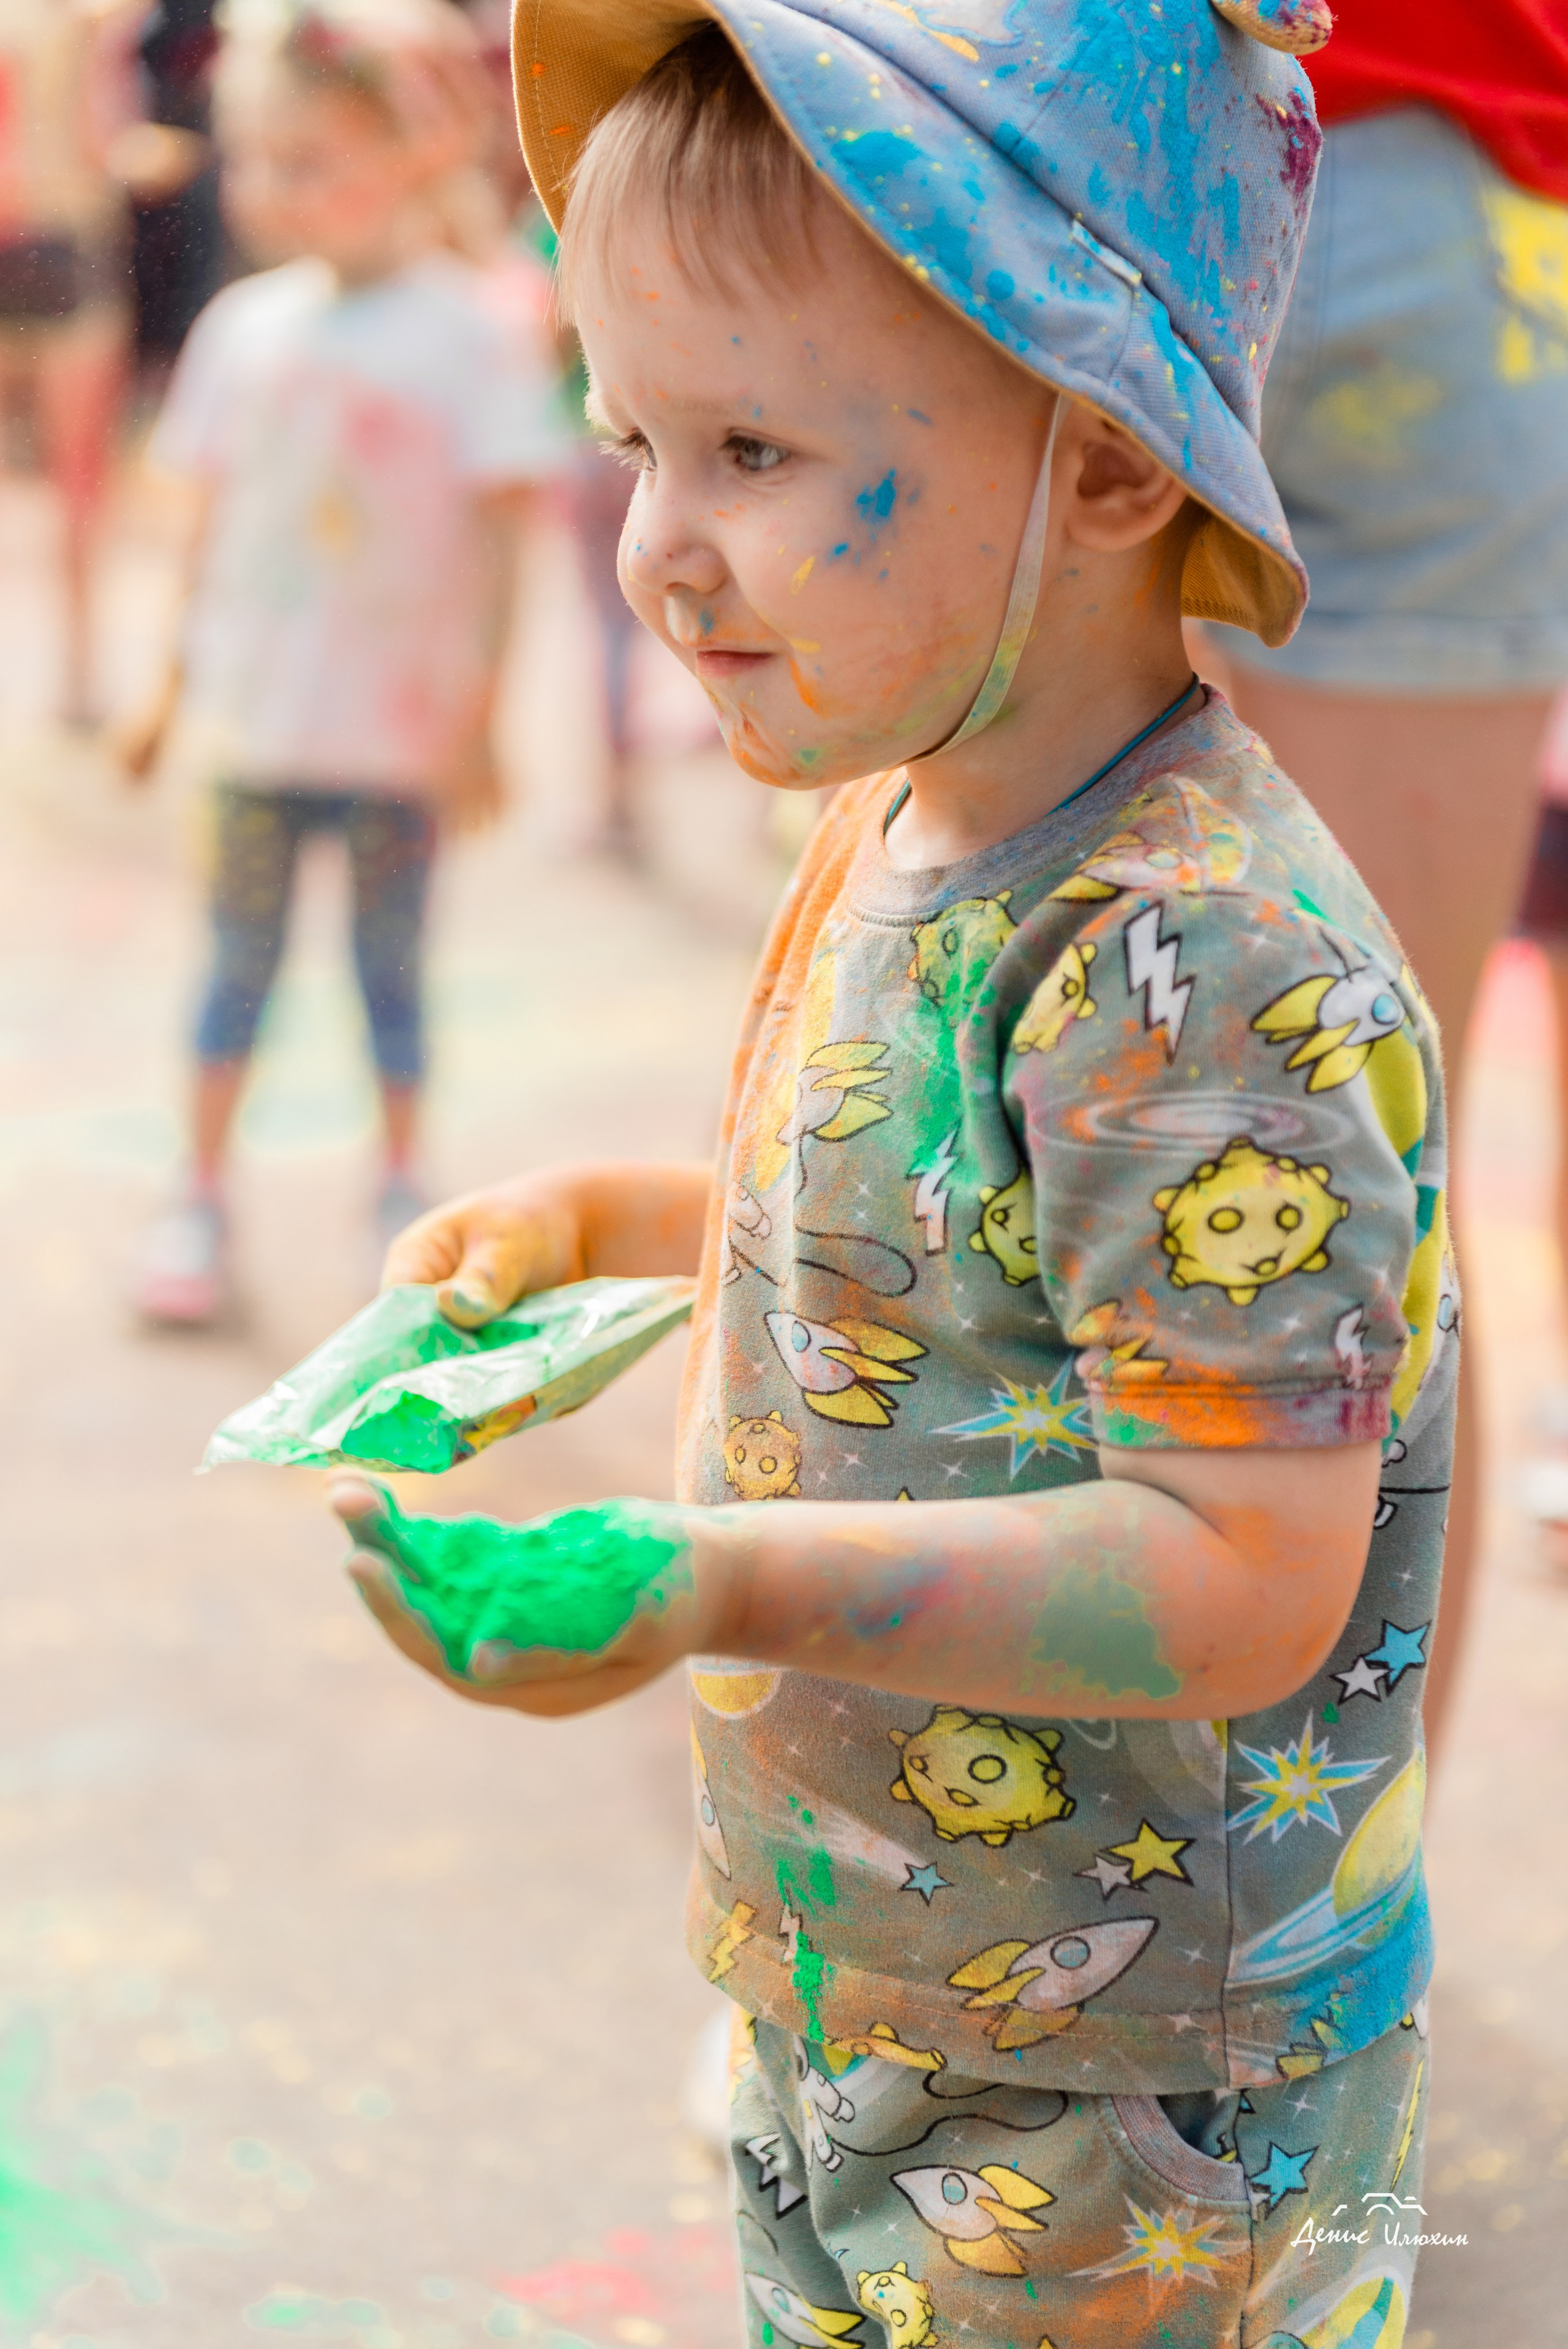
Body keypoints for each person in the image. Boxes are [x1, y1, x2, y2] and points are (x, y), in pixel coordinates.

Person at [330, 6, 1452, 2340]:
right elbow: (947, 1241)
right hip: (892, 1966)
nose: (659, 549)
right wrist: (608, 1232)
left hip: (1142, 2086)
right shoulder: (910, 805)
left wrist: (703, 1579)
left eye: (751, 447)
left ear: (1107, 459)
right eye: (631, 438)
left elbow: (1240, 1564)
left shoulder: (1199, 964)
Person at [1199, 0, 1568, 1751]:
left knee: (1007, 1085)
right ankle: (1342, 1877)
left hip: (1068, 141)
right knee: (1373, 1156)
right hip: (1457, 198)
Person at [118, 0, 564, 1323]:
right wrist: (164, 691)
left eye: (310, 159)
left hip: (397, 747)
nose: (275, 188)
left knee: (392, 973)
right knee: (233, 969)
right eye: (259, 159)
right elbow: (200, 533)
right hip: (253, 734)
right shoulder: (241, 331)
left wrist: (481, 720)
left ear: (412, 149)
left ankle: (401, 1187)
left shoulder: (474, 334)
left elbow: (504, 545)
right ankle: (197, 1194)